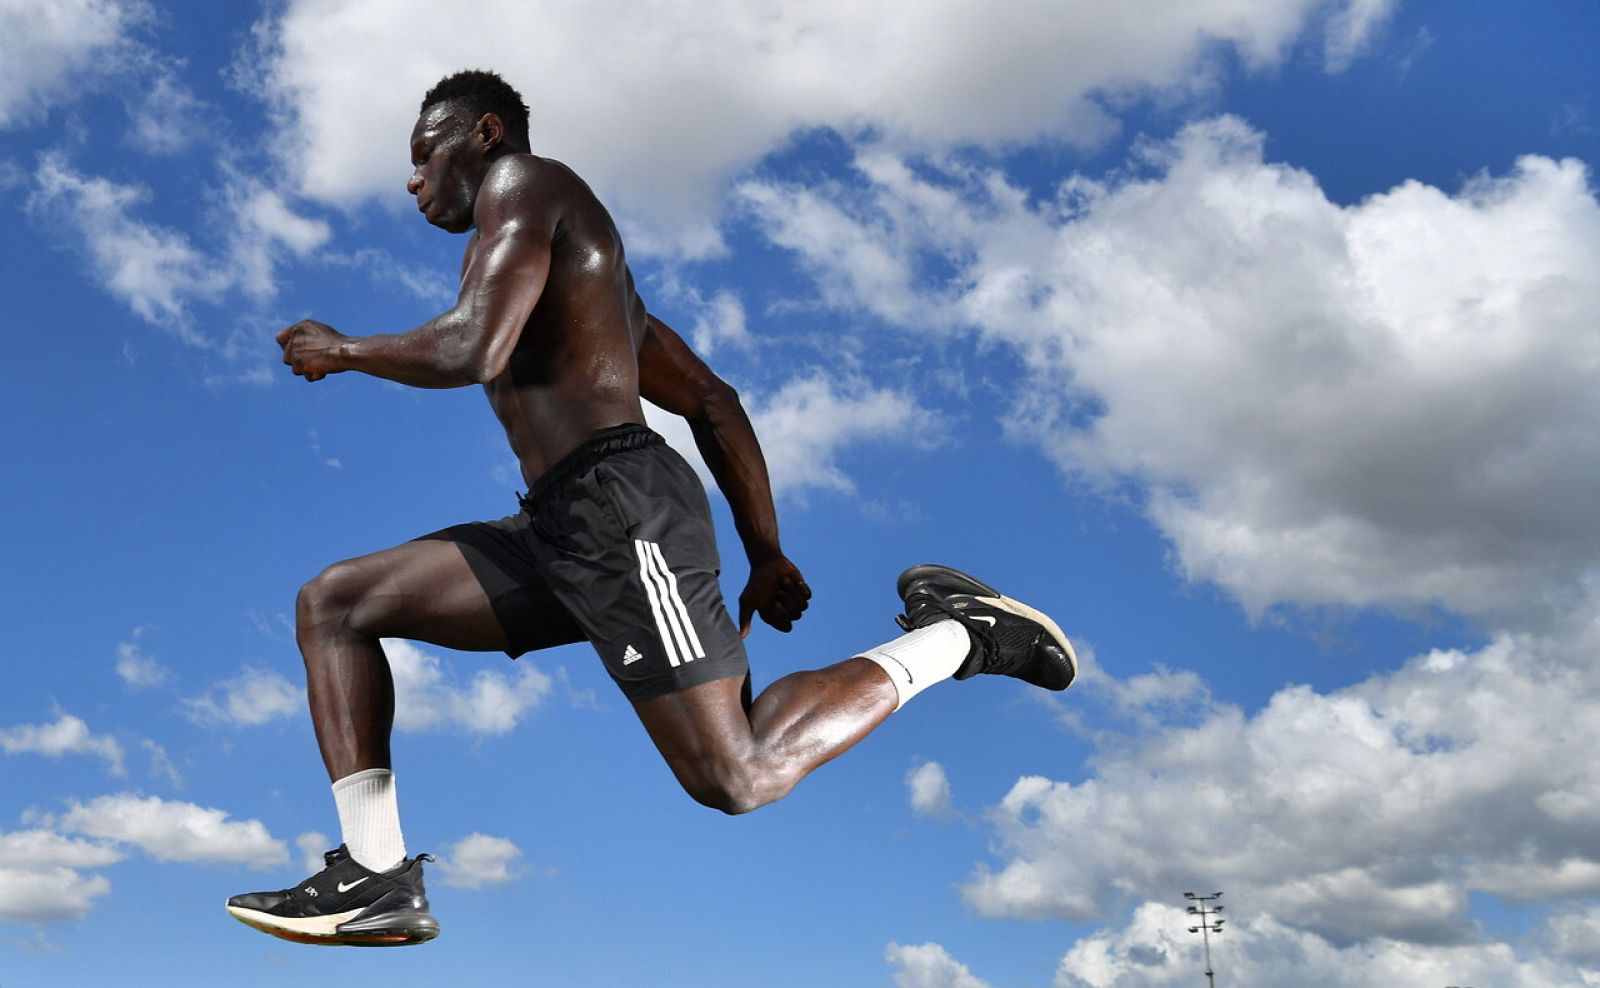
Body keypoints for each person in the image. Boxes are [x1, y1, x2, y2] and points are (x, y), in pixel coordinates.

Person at [225, 69, 1076, 947]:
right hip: (558, 523)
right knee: (336, 602)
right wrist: (766, 553)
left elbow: (475, 346)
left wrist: (348, 349)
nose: (412, 181)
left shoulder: (524, 184)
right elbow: (710, 398)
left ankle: (965, 633)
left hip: (621, 506)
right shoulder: (598, 297)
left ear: (483, 135)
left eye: (422, 155)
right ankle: (374, 876)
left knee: (735, 775)